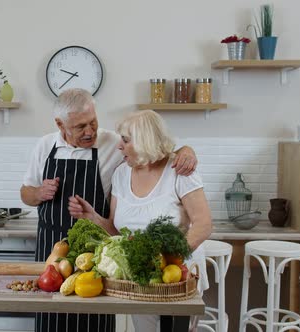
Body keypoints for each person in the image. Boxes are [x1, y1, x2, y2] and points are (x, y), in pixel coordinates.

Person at [20, 88, 197, 332]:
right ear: (60, 124)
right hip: (52, 249)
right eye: (80, 127)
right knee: (51, 315)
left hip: (96, 251)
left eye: (93, 122)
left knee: (95, 320)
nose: (90, 131)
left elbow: (155, 151)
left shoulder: (114, 142)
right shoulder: (44, 146)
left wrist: (186, 151)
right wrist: (38, 193)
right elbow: (25, 193)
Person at [68, 109, 212, 332]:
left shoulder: (180, 171)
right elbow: (116, 230)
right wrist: (93, 218)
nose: (119, 146)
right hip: (140, 279)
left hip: (176, 279)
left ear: (144, 141)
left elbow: (203, 225)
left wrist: (167, 260)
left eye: (125, 140)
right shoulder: (121, 174)